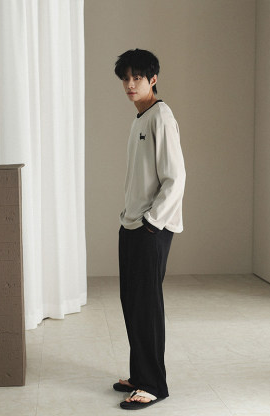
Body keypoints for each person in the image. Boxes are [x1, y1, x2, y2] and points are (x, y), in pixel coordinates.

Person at [112, 48, 186, 410]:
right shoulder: (139, 118)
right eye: (126, 78)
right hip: (132, 223)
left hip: (150, 227)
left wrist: (152, 222)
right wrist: (129, 216)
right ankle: (140, 373)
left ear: (152, 79)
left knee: (147, 306)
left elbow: (176, 178)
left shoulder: (161, 117)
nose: (130, 84)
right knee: (132, 302)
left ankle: (154, 384)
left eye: (137, 77)